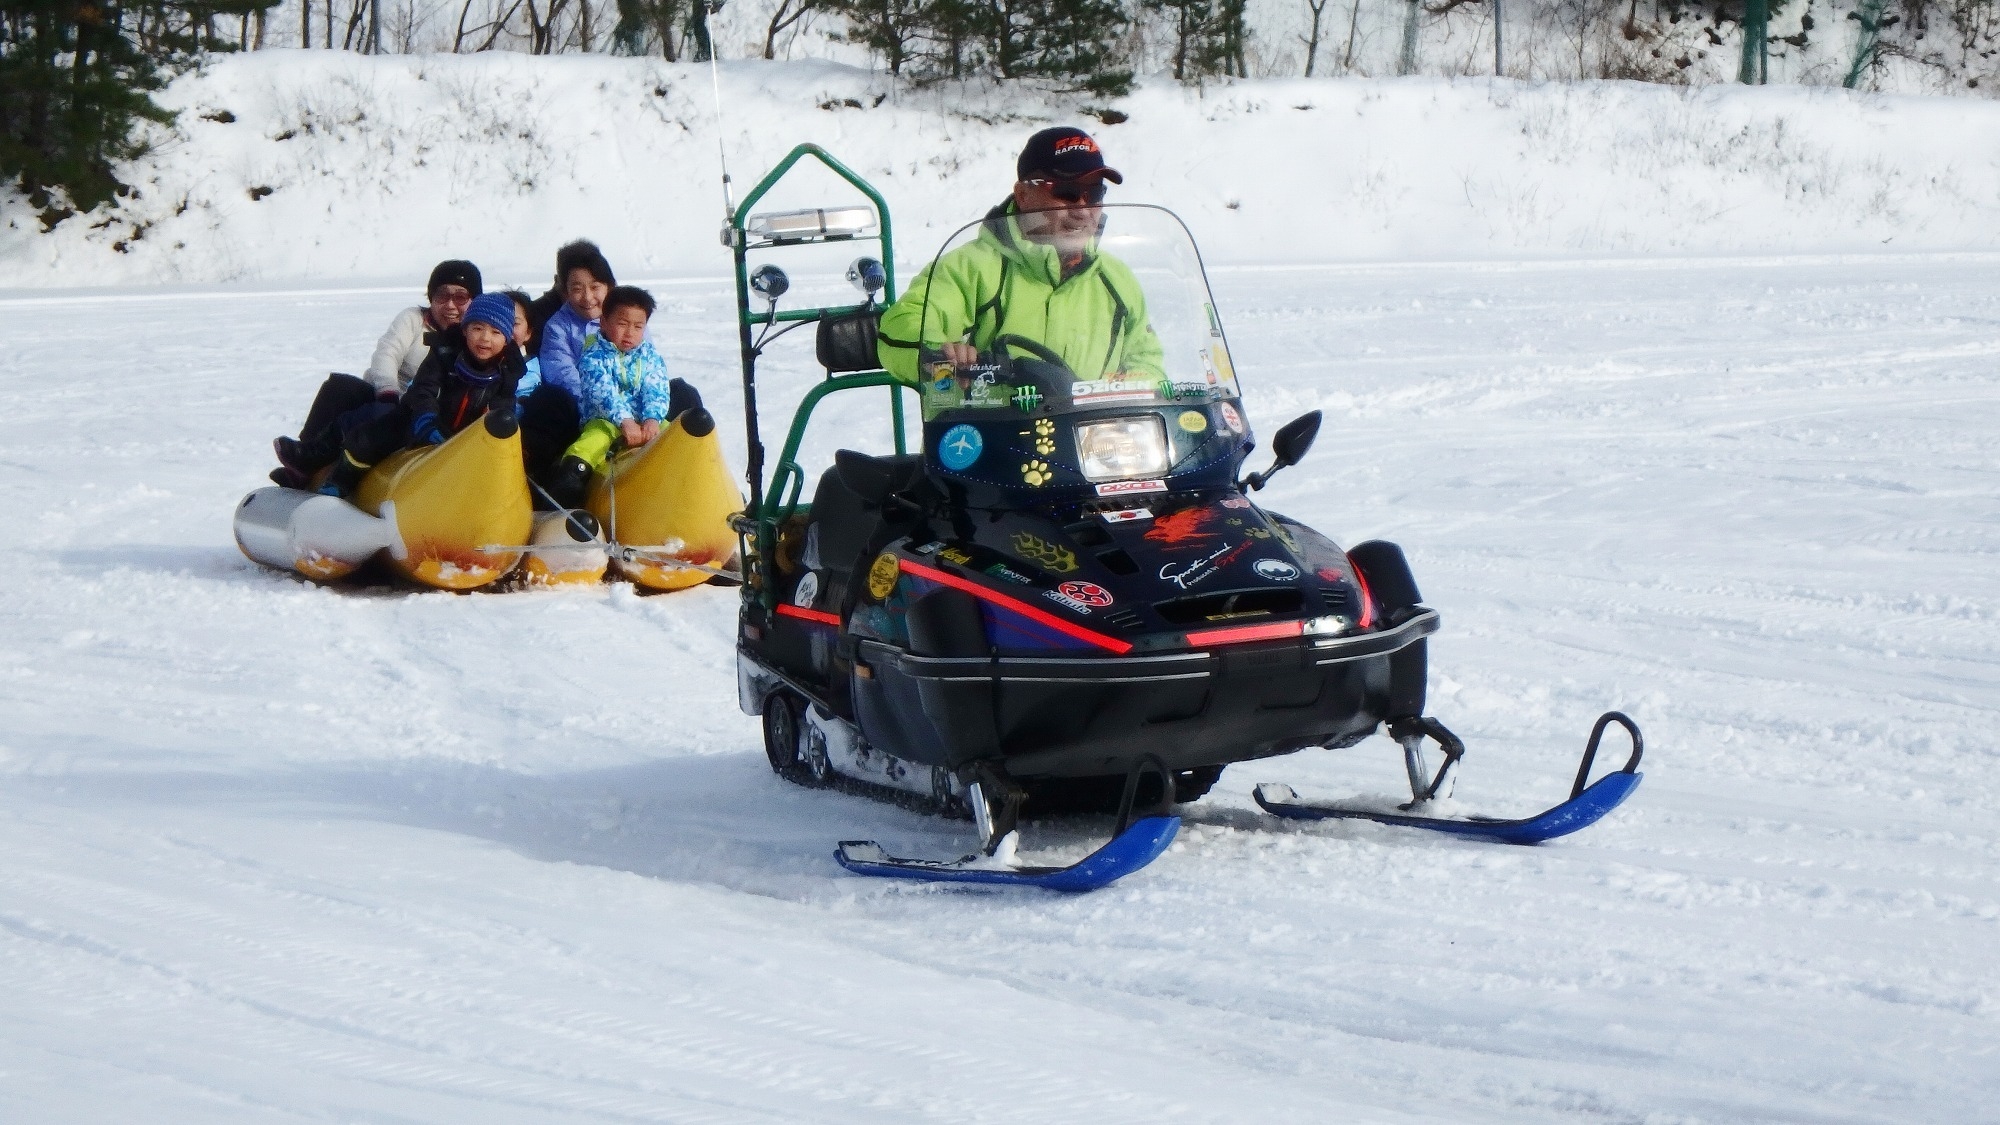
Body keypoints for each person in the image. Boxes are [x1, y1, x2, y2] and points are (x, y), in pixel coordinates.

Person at [875, 126, 1165, 419]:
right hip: (989, 442)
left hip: (1095, 447)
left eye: (1094, 193)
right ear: (1024, 194)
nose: (1082, 208)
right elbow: (902, 327)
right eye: (1068, 192)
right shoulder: (971, 267)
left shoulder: (1116, 279)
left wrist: (1131, 392)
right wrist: (942, 354)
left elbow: (1147, 361)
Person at [319, 292, 525, 499]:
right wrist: (426, 419)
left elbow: (502, 406)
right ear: (465, 330)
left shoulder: (508, 370)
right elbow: (424, 389)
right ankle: (341, 478)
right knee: (370, 439)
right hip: (417, 418)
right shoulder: (444, 353)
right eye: (478, 328)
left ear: (506, 340)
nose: (485, 338)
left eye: (496, 332)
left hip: (464, 434)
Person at [542, 286, 705, 508]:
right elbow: (601, 390)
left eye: (638, 326)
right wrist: (624, 421)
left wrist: (652, 418)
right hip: (606, 421)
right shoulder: (593, 355)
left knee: (676, 439)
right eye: (622, 324)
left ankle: (698, 485)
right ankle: (570, 486)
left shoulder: (650, 356)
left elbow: (655, 387)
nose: (630, 333)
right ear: (604, 322)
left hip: (645, 423)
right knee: (590, 444)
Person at [367, 259, 483, 397]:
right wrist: (388, 391)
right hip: (395, 400)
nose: (450, 305)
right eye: (442, 295)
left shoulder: (480, 335)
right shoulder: (413, 319)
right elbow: (387, 354)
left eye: (460, 297)